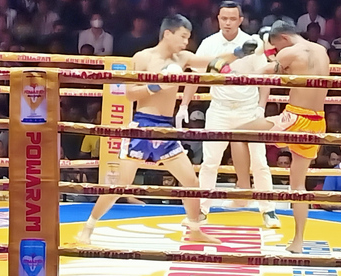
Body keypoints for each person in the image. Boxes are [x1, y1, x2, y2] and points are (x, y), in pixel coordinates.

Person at [77, 14, 258, 245]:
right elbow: (130, 93)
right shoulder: (143, 57)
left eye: (188, 38)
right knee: (119, 185)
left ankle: (194, 229)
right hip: (142, 125)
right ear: (168, 33)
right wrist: (158, 85)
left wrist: (240, 52)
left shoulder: (182, 58)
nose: (185, 42)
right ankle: (88, 228)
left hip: (166, 128)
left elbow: (212, 61)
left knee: (190, 183)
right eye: (183, 37)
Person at [177, 1, 280, 229]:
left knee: (260, 161)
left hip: (248, 108)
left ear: (240, 20)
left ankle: (269, 210)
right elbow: (195, 76)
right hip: (220, 108)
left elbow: (264, 77)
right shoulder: (209, 43)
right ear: (218, 18)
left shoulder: (252, 43)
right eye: (224, 18)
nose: (228, 23)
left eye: (232, 18)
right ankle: (201, 211)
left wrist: (261, 107)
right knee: (210, 162)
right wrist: (184, 104)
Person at [231, 20, 330, 253]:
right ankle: (298, 241)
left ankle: (244, 188)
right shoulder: (322, 51)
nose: (275, 51)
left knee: (237, 133)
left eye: (275, 46)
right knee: (298, 185)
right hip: (317, 121)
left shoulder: (290, 52)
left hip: (294, 119)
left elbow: (258, 75)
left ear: (283, 38)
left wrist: (243, 61)